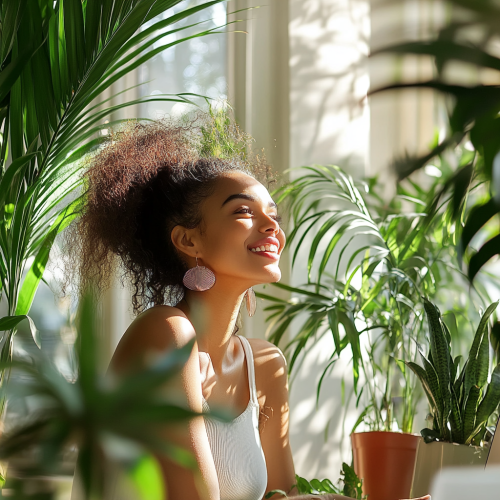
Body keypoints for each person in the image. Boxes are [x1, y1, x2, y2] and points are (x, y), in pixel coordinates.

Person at [66, 118, 430, 500]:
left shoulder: (265, 365)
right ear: (188, 240)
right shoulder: (166, 334)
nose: (272, 225)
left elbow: (280, 496)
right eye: (243, 211)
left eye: (273, 213)